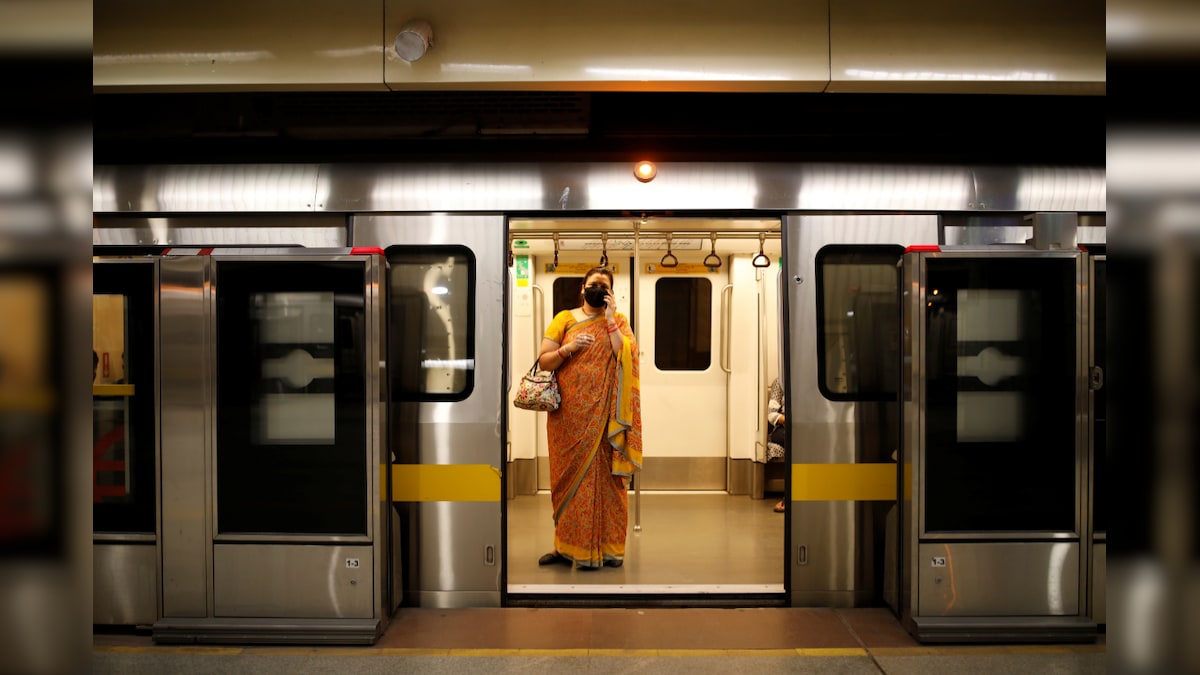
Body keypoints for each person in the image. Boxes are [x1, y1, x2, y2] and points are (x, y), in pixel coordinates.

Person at [536, 266, 642, 570]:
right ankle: (564, 548)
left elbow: (626, 355)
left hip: (606, 417)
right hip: (568, 417)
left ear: (610, 293)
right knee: (567, 481)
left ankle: (608, 550)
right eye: (593, 285)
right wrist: (569, 348)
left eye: (603, 286)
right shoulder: (564, 319)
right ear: (583, 288)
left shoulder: (619, 321)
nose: (597, 289)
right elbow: (544, 361)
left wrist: (610, 320)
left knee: (609, 484)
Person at [767, 377, 787, 512]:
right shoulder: (780, 382)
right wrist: (786, 419)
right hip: (784, 427)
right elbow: (771, 414)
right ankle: (789, 496)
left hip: (807, 426)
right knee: (795, 442)